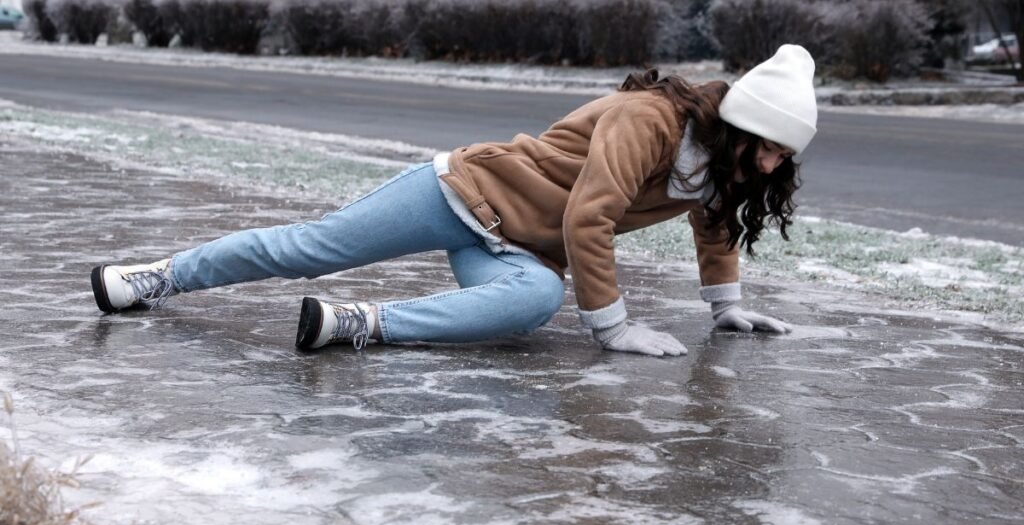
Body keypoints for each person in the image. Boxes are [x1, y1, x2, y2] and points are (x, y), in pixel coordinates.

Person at [90, 44, 817, 357]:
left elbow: (716, 219)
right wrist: (614, 328)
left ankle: (359, 324)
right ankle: (157, 276)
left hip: (518, 248)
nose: (774, 162)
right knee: (310, 249)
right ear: (738, 124)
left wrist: (725, 307)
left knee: (532, 303)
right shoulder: (650, 120)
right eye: (770, 145)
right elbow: (589, 216)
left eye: (785, 154)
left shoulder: (723, 164)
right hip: (462, 191)